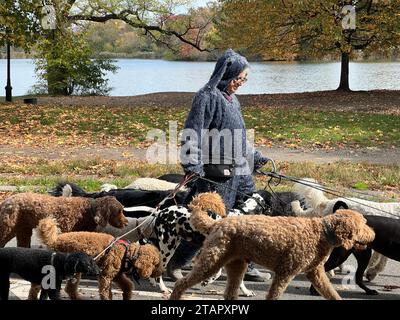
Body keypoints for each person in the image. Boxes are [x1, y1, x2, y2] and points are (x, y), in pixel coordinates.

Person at [166, 49, 271, 282]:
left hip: (240, 169)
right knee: (208, 220)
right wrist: (192, 164)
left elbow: (239, 138)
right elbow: (192, 133)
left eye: (244, 79)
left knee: (250, 210)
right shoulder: (207, 96)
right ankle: (176, 262)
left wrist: (256, 156)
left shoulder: (234, 101)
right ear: (227, 74)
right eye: (238, 78)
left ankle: (243, 263)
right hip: (216, 171)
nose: (241, 83)